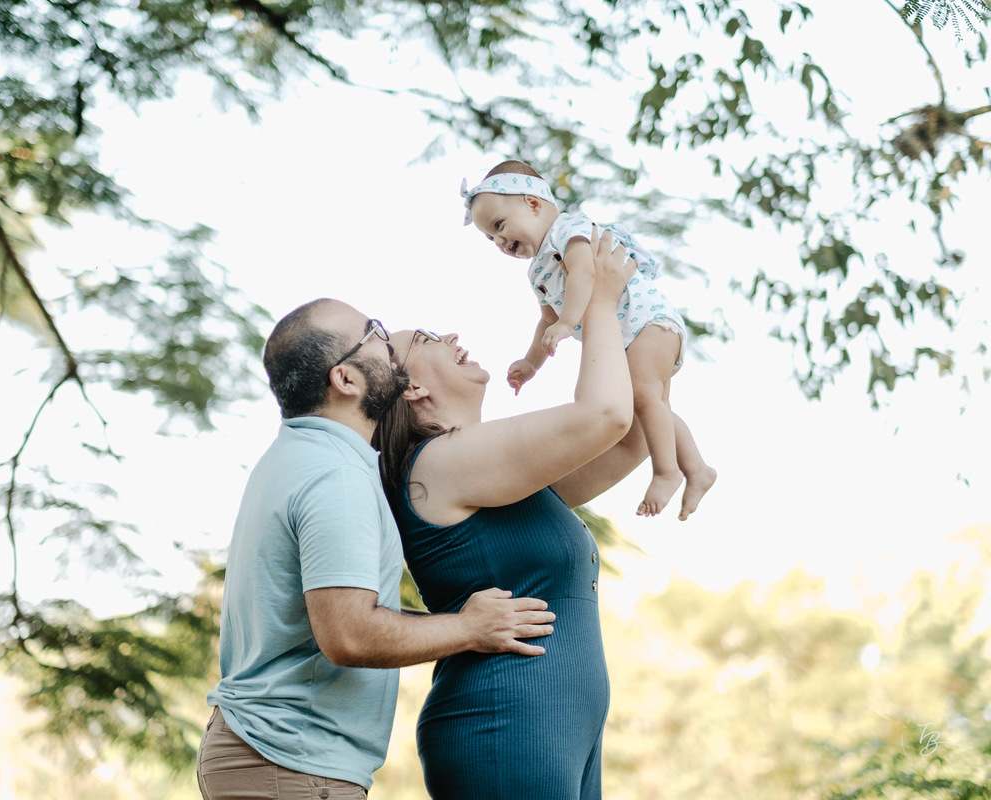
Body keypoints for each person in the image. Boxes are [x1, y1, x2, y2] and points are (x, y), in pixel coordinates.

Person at [197, 298, 558, 800]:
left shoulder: (300, 456)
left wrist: (455, 625)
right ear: (345, 379)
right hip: (290, 762)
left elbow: (336, 616)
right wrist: (469, 628)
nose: (388, 341)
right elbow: (349, 634)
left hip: (272, 756)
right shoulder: (336, 476)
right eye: (373, 333)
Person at [373, 228, 649, 799]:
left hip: (556, 731)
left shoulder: (496, 475)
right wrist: (595, 301)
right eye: (426, 338)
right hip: (504, 726)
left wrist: (633, 317)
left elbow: (633, 432)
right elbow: (605, 415)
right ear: (412, 387)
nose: (450, 335)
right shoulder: (438, 464)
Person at [462, 159, 716, 520]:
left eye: (499, 225)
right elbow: (546, 320)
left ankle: (666, 472)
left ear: (533, 203)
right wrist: (531, 362)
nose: (500, 241)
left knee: (644, 396)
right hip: (627, 337)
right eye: (491, 238)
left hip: (647, 320)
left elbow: (584, 272)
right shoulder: (537, 272)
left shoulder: (569, 229)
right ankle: (697, 469)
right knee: (650, 403)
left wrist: (568, 322)